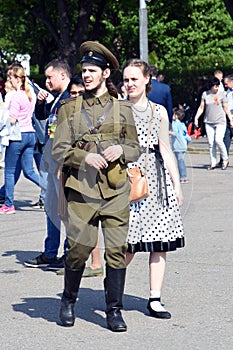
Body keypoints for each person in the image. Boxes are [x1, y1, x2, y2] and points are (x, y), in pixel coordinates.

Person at [52, 41, 141, 331]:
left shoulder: (122, 109)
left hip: (115, 190)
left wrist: (121, 151)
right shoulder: (69, 109)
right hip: (82, 191)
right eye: (84, 70)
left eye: (92, 70)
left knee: (116, 250)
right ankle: (68, 299)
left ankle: (114, 310)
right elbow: (58, 150)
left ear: (105, 73)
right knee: (79, 249)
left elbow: (135, 147)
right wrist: (84, 156)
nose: (87, 75)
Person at [122, 58, 184, 319]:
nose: (129, 84)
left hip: (158, 181)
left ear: (147, 79)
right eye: (126, 79)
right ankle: (113, 291)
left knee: (160, 244)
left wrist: (177, 186)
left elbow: (165, 149)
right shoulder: (118, 110)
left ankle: (155, 299)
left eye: (134, 78)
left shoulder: (159, 111)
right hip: (128, 178)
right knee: (127, 244)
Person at [24, 58, 71, 268]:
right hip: (52, 160)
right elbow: (42, 118)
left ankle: (70, 253)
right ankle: (50, 252)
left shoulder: (72, 95)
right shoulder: (58, 97)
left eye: (50, 77)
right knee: (52, 207)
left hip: (65, 162)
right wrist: (41, 102)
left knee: (66, 210)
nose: (47, 81)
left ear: (63, 75)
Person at [0, 65, 39, 214]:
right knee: (29, 171)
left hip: (17, 136)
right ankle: (51, 191)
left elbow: (12, 119)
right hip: (30, 134)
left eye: (10, 77)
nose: (8, 80)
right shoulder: (27, 94)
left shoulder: (16, 95)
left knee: (9, 172)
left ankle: (9, 204)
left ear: (17, 78)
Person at [194, 76, 233, 170]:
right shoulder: (205, 94)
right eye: (215, 86)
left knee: (219, 140)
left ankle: (225, 159)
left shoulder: (222, 94)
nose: (216, 88)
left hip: (220, 121)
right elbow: (201, 107)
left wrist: (231, 119)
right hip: (209, 121)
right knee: (211, 143)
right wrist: (196, 118)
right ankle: (213, 163)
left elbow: (226, 107)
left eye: (218, 86)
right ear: (211, 86)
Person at [171, 108, 191, 184]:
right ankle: (183, 176)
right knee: (181, 160)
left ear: (176, 116)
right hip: (183, 145)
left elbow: (174, 133)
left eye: (174, 114)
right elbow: (187, 137)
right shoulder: (182, 125)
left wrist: (167, 132)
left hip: (177, 145)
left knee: (180, 162)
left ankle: (183, 177)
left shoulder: (175, 124)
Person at [217, 74, 233, 167]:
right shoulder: (227, 92)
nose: (225, 85)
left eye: (226, 84)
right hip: (227, 117)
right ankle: (223, 160)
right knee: (225, 140)